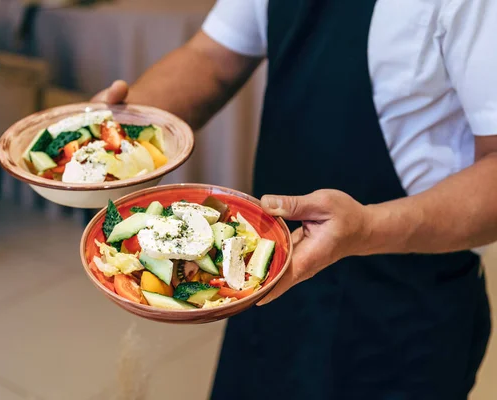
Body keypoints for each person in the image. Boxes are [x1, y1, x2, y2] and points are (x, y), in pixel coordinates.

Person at [93, 0, 497, 398]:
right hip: (273, 275)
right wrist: (116, 138)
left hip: (404, 306)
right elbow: (212, 57)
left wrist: (368, 228)